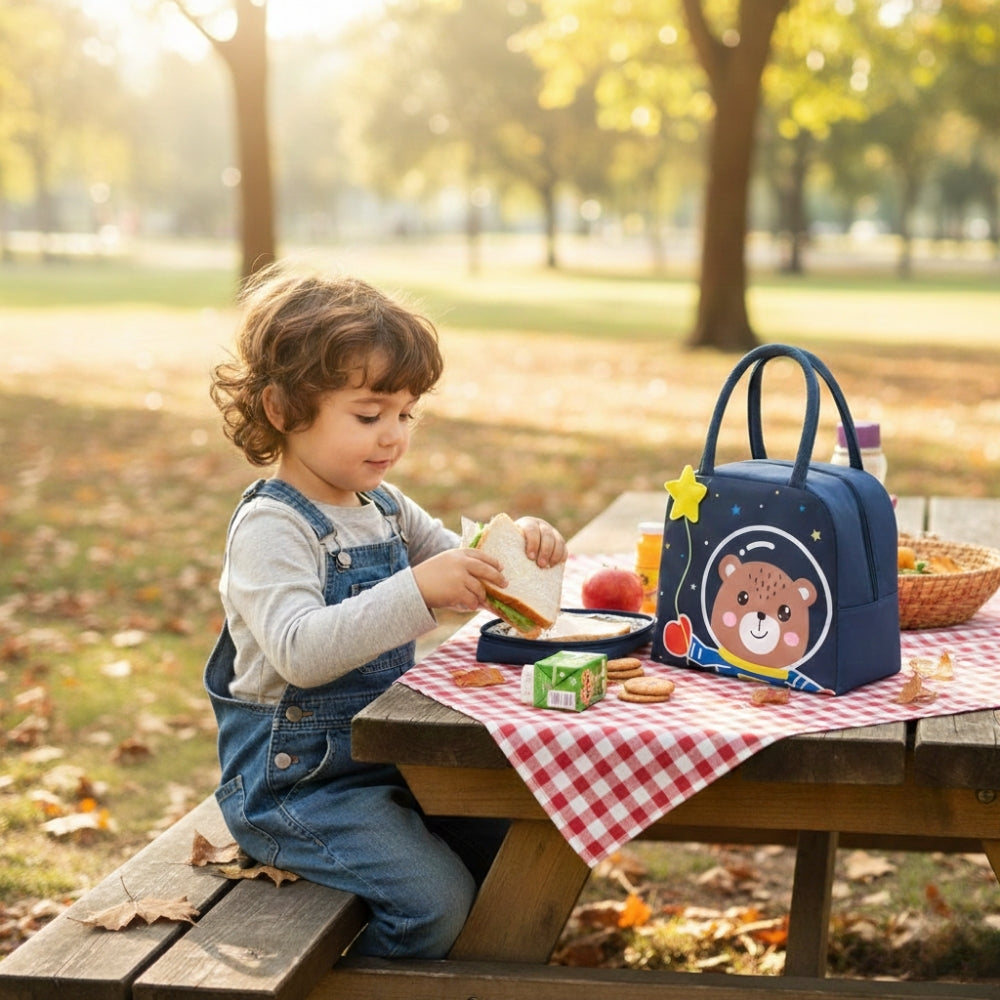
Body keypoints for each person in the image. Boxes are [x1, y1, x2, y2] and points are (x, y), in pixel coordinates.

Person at [204, 264, 566, 959]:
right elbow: (300, 651)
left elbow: (473, 567)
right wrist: (419, 590)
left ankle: (480, 970)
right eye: (369, 415)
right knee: (434, 905)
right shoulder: (273, 528)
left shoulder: (384, 507)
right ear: (282, 410)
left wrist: (523, 548)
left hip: (387, 764)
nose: (393, 435)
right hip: (296, 788)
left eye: (405, 414)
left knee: (518, 840)